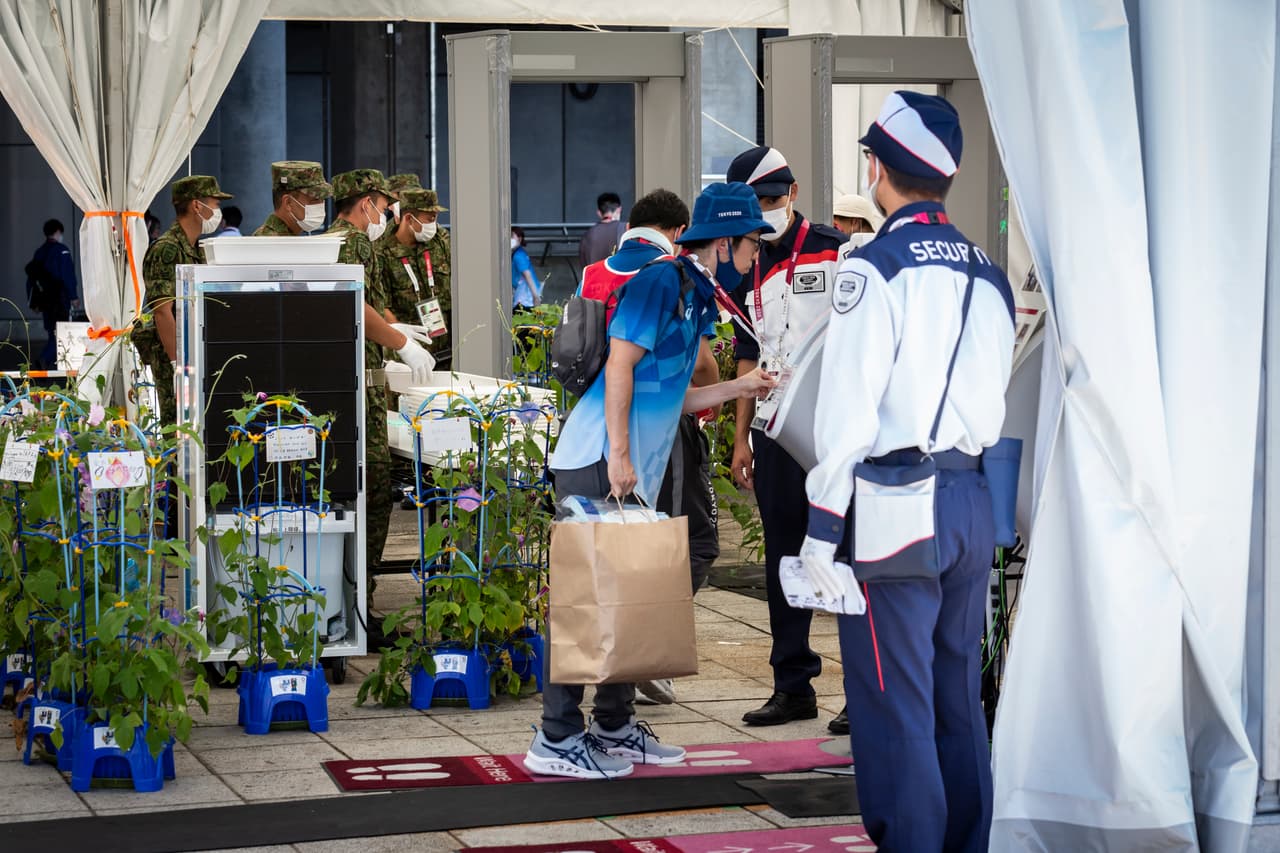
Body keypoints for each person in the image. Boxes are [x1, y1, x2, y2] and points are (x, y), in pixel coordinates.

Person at [799, 91, 1014, 852]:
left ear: (878, 167)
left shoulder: (874, 267)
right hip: (969, 497)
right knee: (958, 694)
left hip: (895, 502)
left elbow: (849, 410)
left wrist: (821, 531)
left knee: (896, 701)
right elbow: (992, 400)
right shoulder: (990, 273)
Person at [527, 182, 777, 779]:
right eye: (751, 246)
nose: (754, 257)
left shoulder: (691, 289)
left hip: (629, 464)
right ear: (725, 242)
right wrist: (618, 454)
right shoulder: (662, 280)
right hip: (598, 459)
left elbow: (673, 396)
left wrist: (741, 388)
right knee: (587, 599)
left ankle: (612, 727)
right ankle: (556, 738)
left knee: (631, 598)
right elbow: (618, 364)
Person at [724, 146, 850, 734]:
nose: (765, 214)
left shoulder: (835, 247)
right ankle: (792, 685)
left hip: (833, 429)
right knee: (783, 557)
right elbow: (746, 352)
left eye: (772, 201)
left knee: (847, 556)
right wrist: (741, 435)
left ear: (793, 192)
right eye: (755, 206)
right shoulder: (742, 262)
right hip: (774, 430)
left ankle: (861, 691)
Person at [578, 188, 719, 705]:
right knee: (690, 542)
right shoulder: (669, 273)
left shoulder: (598, 270)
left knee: (617, 551)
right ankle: (642, 648)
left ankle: (618, 673)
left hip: (595, 430)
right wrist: (714, 398)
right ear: (679, 232)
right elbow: (697, 362)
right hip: (660, 425)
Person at [326, 169, 436, 581]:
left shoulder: (333, 239)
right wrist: (399, 343)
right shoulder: (354, 241)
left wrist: (395, 333)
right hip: (358, 392)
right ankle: (362, 603)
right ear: (366, 203)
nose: (389, 214)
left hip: (347, 382)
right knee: (372, 492)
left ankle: (351, 595)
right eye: (385, 205)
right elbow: (354, 305)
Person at [134, 175, 230, 426]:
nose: (218, 211)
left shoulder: (196, 247)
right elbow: (162, 312)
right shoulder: (167, 249)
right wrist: (179, 364)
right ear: (197, 206)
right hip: (172, 354)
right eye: (215, 204)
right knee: (176, 424)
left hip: (194, 352)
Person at [379, 188, 453, 364]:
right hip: (409, 354)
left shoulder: (439, 242)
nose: (433, 224)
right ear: (409, 219)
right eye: (430, 219)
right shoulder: (383, 251)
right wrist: (406, 344)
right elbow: (382, 305)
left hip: (446, 349)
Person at [25, 219, 77, 368]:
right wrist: (73, 296)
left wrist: (33, 303)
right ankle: (44, 359)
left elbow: (31, 279)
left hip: (44, 300)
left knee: (51, 332)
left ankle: (46, 365)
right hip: (59, 300)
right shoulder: (62, 250)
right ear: (58, 232)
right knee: (60, 333)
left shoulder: (39, 252)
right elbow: (68, 276)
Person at [254, 161, 334, 236]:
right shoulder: (269, 243)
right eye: (315, 199)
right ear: (288, 203)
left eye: (323, 198)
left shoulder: (289, 237)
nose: (321, 204)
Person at [577, 191, 626, 267]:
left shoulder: (588, 234)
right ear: (619, 209)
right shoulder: (625, 229)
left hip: (594, 277)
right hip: (619, 278)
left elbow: (584, 265)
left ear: (599, 213)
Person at [512, 227, 541, 310]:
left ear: (519, 239)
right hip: (526, 298)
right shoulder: (519, 253)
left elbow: (527, 274)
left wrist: (535, 297)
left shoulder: (518, 255)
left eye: (512, 236)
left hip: (525, 300)